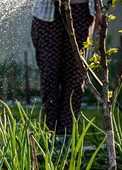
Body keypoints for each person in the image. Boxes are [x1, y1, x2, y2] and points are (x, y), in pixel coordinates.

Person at [31, 0, 101, 136]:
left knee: (75, 77)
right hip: (48, 13)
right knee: (49, 76)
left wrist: (99, 8)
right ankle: (49, 132)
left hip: (81, 10)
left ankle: (66, 133)